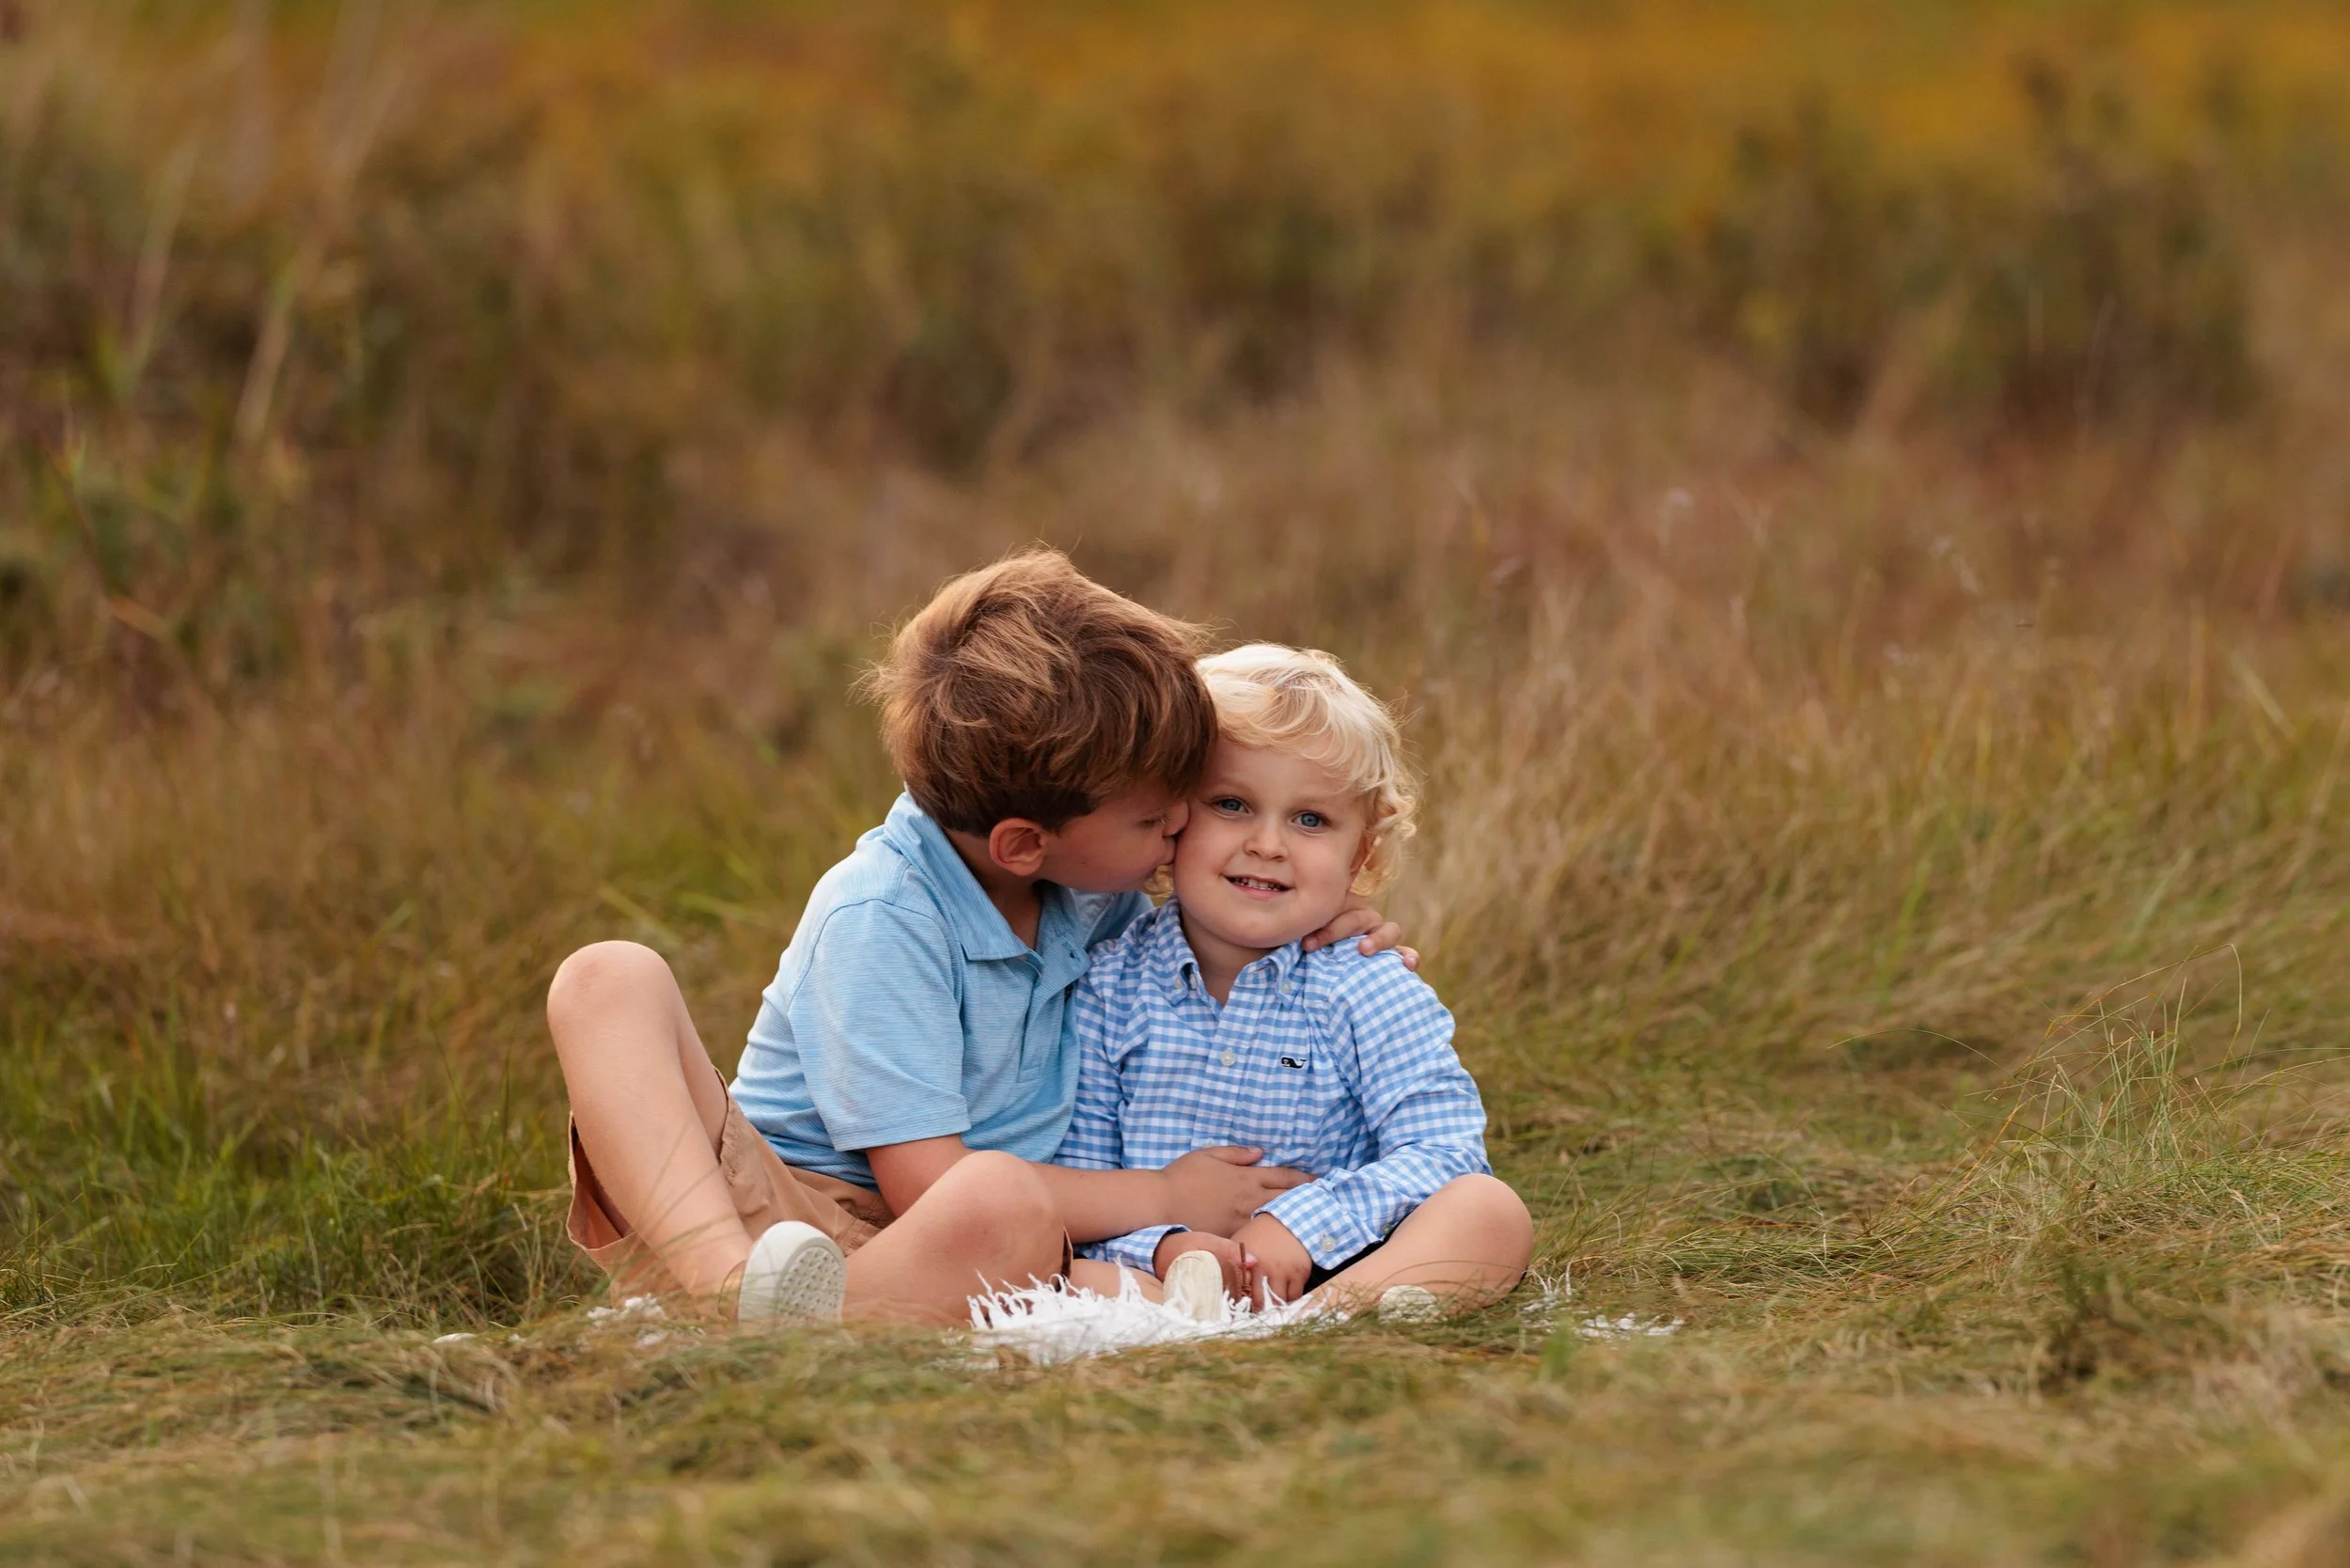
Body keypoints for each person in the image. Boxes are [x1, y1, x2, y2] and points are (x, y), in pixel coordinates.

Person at [547, 552, 1408, 1325]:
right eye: (1155, 817)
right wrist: (1164, 1193)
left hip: (970, 1242)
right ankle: (726, 1297)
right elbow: (926, 1184)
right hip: (778, 1211)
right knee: (605, 978)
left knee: (1124, 1277)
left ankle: (818, 1330)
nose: (1181, 825)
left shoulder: (1085, 882)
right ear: (1025, 845)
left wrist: (1318, 926)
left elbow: (1209, 932)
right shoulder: (884, 914)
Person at [1056, 644, 1532, 1322]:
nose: (1269, 844)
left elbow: (1444, 1151)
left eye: (1310, 820)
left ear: (1359, 853)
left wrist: (1303, 1226)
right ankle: (1188, 1322)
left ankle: (1314, 1325)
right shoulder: (1108, 986)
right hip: (1159, 1273)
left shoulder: (1369, 986)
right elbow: (1087, 1172)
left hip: (1342, 1262)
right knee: (1070, 1274)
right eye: (1232, 804)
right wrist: (1164, 1245)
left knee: (1490, 1211)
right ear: (1169, 819)